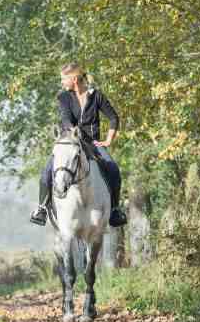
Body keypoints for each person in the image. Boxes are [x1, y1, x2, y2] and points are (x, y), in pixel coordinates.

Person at [30, 62, 127, 227]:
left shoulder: (96, 96)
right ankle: (42, 209)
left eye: (63, 79)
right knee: (47, 171)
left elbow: (113, 118)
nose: (61, 82)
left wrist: (109, 140)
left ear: (74, 79)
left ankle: (115, 210)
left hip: (93, 144)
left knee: (113, 169)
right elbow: (65, 118)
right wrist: (72, 130)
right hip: (70, 143)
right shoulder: (63, 97)